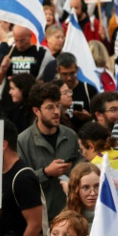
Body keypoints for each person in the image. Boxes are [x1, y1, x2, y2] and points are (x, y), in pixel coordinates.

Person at [17, 83, 80, 221]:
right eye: (50, 107)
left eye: (58, 106)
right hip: (42, 218)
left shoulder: (70, 135)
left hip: (71, 214)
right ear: (36, 111)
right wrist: (45, 172)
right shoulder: (23, 141)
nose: (57, 112)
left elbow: (80, 167)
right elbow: (20, 183)